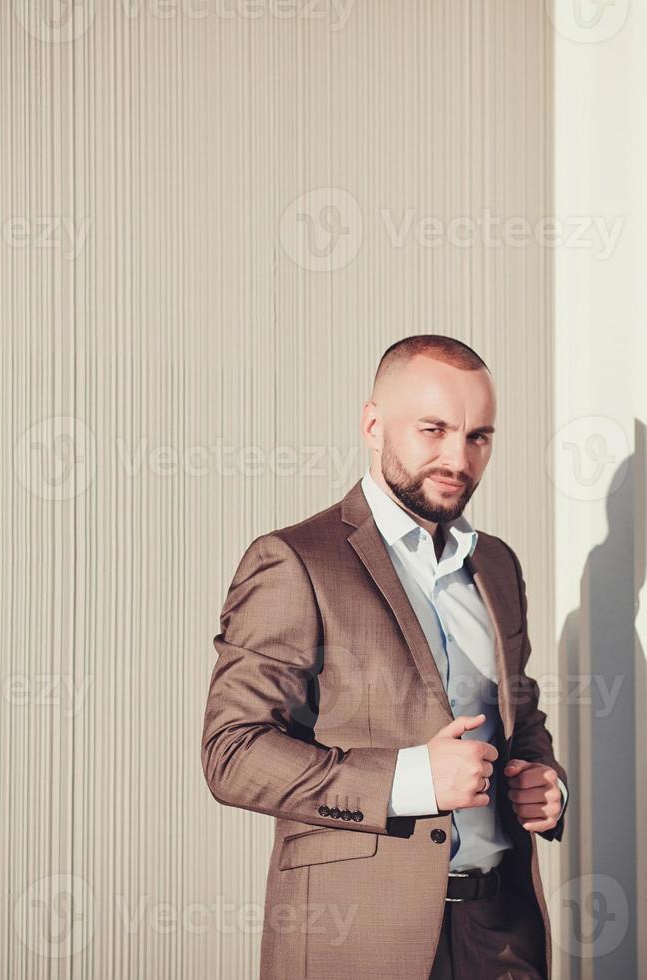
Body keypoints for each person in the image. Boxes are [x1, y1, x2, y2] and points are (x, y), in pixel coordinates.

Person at [202, 334, 569, 979]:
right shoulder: (295, 561)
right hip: (358, 939)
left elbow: (520, 715)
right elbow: (234, 754)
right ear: (374, 424)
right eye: (434, 429)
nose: (458, 458)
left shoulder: (497, 566)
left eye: (478, 437)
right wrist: (412, 780)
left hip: (502, 933)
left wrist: (544, 781)